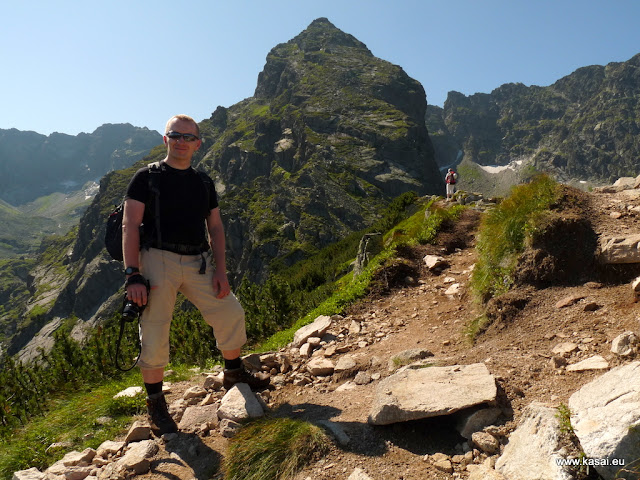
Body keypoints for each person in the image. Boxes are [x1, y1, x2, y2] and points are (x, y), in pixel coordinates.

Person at [122, 114, 269, 435]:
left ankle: (233, 372)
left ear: (198, 144)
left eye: (188, 137)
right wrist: (133, 275)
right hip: (156, 258)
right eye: (175, 135)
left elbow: (215, 227)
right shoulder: (146, 177)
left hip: (199, 261)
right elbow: (129, 225)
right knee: (155, 328)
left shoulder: (203, 181)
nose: (181, 142)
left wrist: (221, 271)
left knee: (230, 311)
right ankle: (156, 403)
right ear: (165, 140)